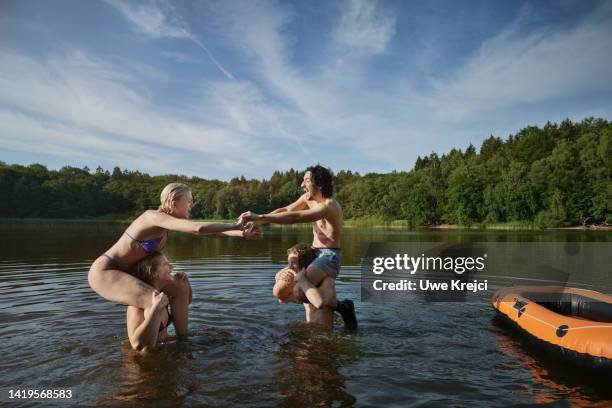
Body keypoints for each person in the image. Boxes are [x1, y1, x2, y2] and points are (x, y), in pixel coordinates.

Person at [88, 182, 261, 317]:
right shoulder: (152, 217)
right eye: (189, 201)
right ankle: (145, 352)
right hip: (107, 271)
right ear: (173, 202)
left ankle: (183, 342)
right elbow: (198, 228)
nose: (191, 205)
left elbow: (210, 234)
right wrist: (235, 224)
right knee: (156, 301)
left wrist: (241, 233)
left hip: (132, 273)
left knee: (180, 289)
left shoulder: (168, 224)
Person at [240, 165, 357, 329]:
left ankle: (342, 307)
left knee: (300, 291)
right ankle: (332, 304)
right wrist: (259, 221)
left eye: (307, 180)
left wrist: (260, 216)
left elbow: (295, 217)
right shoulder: (308, 198)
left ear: (320, 184)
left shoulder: (330, 206)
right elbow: (287, 209)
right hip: (313, 252)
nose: (302, 185)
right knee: (280, 290)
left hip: (329, 256)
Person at [274, 243, 356, 332]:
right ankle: (342, 310)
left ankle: (345, 310)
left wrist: (302, 279)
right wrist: (278, 278)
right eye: (288, 263)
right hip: (313, 329)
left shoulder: (325, 280)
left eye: (293, 262)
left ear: (304, 263)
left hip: (323, 334)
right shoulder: (301, 281)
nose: (289, 267)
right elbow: (282, 299)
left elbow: (319, 303)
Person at [126, 252, 183, 352]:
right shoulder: (137, 303)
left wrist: (183, 284)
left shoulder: (162, 296)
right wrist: (156, 309)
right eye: (166, 264)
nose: (172, 266)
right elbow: (137, 344)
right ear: (153, 272)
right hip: (142, 364)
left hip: (162, 353)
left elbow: (188, 301)